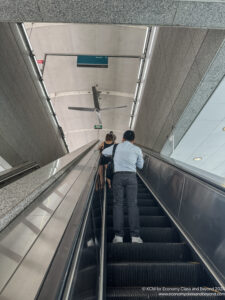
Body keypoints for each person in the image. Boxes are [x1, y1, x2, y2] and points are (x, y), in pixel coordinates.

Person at [102, 130, 144, 243]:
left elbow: (104, 152)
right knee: (132, 205)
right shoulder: (137, 149)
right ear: (133, 140)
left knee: (118, 204)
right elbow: (140, 165)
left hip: (118, 177)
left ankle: (118, 236)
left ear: (123, 138)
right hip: (131, 177)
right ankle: (135, 236)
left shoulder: (116, 147)